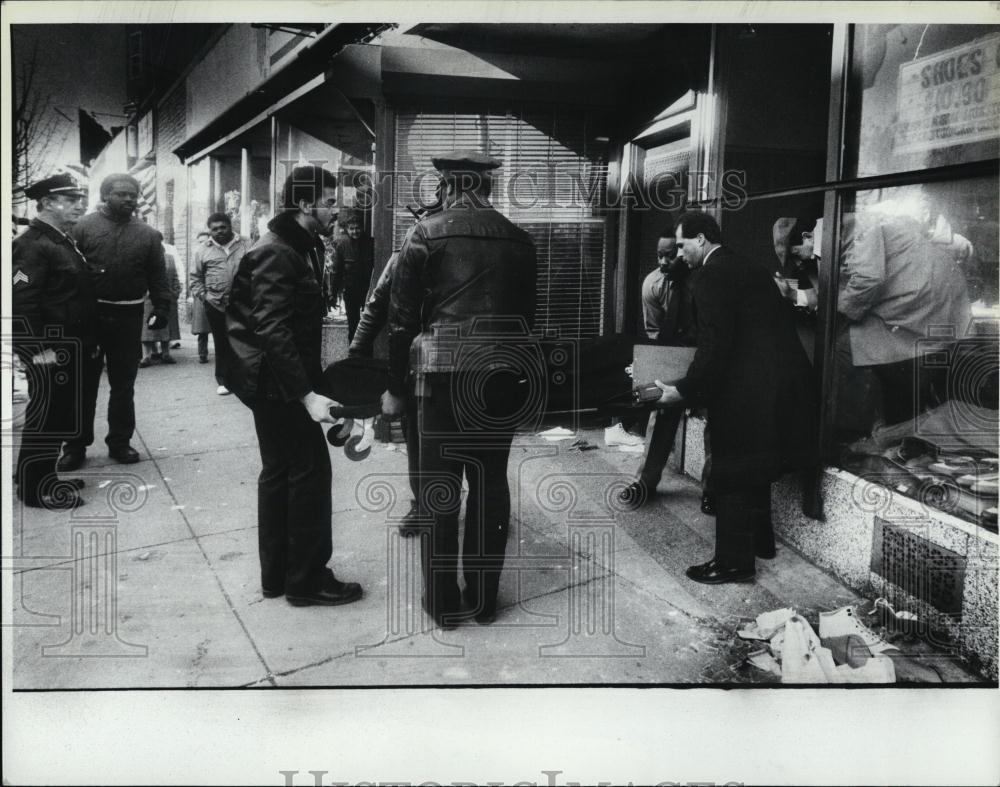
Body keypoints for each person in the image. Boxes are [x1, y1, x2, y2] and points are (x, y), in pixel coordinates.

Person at [383, 150, 538, 627]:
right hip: (501, 377)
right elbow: (527, 318)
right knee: (490, 483)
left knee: (440, 489)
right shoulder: (520, 239)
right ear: (487, 188)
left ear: (446, 186)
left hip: (441, 377)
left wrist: (393, 388)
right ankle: (484, 600)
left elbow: (400, 322)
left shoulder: (424, 233)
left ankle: (442, 602)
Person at [654, 211, 818, 584]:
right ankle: (762, 543)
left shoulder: (710, 276)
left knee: (731, 471)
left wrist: (684, 389)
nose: (679, 254)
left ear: (701, 239)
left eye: (682, 245)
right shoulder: (749, 266)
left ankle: (733, 562)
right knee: (756, 467)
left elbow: (715, 345)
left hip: (746, 389)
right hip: (779, 385)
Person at [224, 165, 362, 607]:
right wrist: (307, 396)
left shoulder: (300, 246)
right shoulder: (278, 251)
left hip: (276, 380)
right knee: (308, 474)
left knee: (281, 473)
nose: (336, 210)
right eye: (328, 202)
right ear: (304, 204)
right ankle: (306, 581)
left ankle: (280, 577)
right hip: (276, 385)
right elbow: (273, 330)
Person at [349, 186, 444, 539]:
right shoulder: (405, 252)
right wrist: (356, 352)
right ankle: (422, 504)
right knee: (417, 438)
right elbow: (376, 305)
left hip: (450, 360)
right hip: (418, 362)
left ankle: (475, 506)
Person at [58, 174, 171, 470]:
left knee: (123, 384)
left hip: (128, 318)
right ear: (105, 195)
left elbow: (158, 275)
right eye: (121, 194)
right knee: (83, 384)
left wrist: (162, 306)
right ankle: (75, 446)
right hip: (89, 318)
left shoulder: (148, 235)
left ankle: (120, 442)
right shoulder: (81, 228)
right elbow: (65, 273)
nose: (129, 199)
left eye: (133, 194)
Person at [12, 168, 96, 508]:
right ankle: (37, 490)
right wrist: (37, 351)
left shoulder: (59, 240)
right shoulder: (32, 245)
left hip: (66, 345)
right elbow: (21, 302)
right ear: (47, 203)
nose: (79, 205)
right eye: (71, 199)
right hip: (50, 348)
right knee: (46, 417)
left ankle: (40, 476)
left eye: (81, 199)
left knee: (56, 415)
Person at [619, 226, 713, 513]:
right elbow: (655, 334)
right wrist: (657, 371)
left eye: (671, 255)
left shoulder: (706, 281)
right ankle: (644, 482)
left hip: (706, 358)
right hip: (674, 353)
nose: (663, 262)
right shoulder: (653, 285)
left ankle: (712, 490)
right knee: (661, 411)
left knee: (715, 421)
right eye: (659, 255)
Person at [189, 213, 250, 395]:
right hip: (216, 304)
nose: (219, 231)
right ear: (210, 231)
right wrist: (204, 297)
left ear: (230, 226)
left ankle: (245, 380)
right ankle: (224, 380)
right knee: (221, 342)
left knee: (245, 341)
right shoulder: (202, 250)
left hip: (244, 304)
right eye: (214, 229)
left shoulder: (246, 244)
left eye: (223, 227)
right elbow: (195, 278)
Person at [329, 209, 375, 342]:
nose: (355, 231)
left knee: (369, 325)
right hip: (351, 291)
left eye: (358, 228)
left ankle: (367, 352)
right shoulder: (341, 245)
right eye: (352, 229)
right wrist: (333, 293)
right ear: (347, 230)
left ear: (362, 228)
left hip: (368, 291)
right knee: (353, 325)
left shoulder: (371, 243)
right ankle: (353, 351)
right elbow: (337, 272)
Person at [139, 243, 181, 366]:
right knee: (147, 327)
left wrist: (175, 292)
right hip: (149, 299)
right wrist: (144, 292)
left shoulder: (170, 258)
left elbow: (175, 277)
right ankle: (146, 356)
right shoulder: (144, 259)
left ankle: (166, 354)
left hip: (167, 297)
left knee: (166, 326)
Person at [190, 231, 212, 363]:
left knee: (220, 327)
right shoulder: (196, 256)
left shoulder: (214, 253)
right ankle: (202, 354)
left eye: (204, 241)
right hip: (202, 295)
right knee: (202, 329)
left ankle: (223, 353)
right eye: (199, 242)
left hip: (217, 293)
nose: (202, 244)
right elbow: (193, 277)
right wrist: (200, 293)